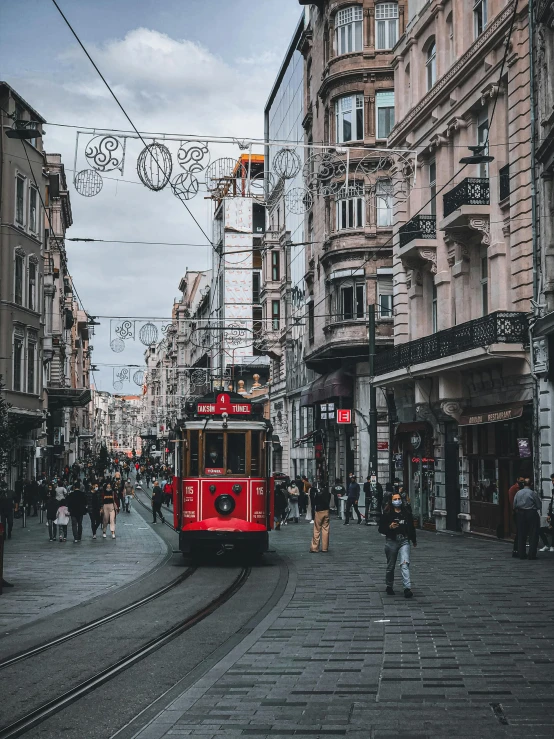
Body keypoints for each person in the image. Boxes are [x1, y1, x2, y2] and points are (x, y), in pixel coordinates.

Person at [378, 491, 417, 598]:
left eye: (398, 499)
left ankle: (407, 588)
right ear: (391, 501)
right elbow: (381, 529)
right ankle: (389, 585)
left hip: (404, 540)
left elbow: (411, 527)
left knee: (405, 564)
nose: (397, 501)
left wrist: (413, 539)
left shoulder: (406, 512)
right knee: (391, 566)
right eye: (395, 499)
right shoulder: (387, 513)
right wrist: (390, 527)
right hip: (391, 541)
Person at [513, 480, 542, 560]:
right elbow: (539, 505)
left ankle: (521, 554)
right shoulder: (532, 493)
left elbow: (514, 505)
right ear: (531, 484)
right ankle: (532, 554)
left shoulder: (518, 493)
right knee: (533, 533)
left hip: (520, 513)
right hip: (531, 513)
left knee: (521, 534)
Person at [309, 485, 331, 553]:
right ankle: (325, 547)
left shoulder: (317, 495)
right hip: (326, 510)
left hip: (319, 511)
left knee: (317, 529)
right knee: (326, 529)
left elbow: (314, 502)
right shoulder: (328, 494)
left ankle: (315, 547)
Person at [508, 476, 525, 557]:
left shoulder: (524, 488)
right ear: (517, 480)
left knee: (521, 532)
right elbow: (512, 502)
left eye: (523, 480)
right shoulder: (513, 489)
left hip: (523, 513)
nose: (522, 482)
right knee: (519, 532)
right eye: (521, 480)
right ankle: (516, 550)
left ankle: (519, 549)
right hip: (517, 513)